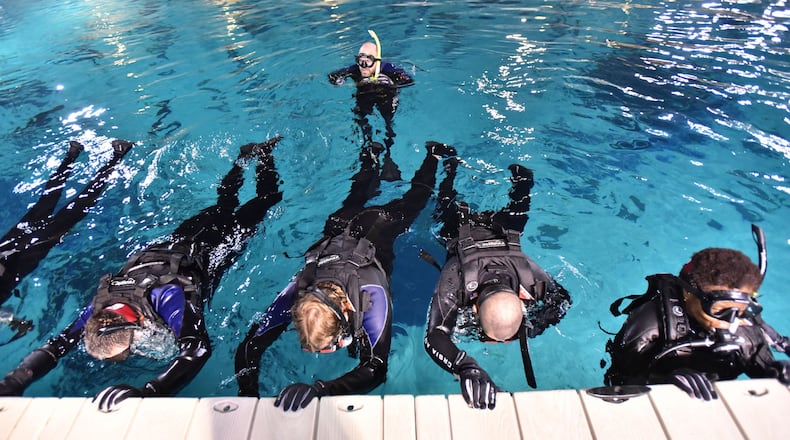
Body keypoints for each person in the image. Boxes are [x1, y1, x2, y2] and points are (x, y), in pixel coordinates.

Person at [0, 136, 284, 411]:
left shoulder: (168, 298)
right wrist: (14, 382)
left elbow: (197, 349)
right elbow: (56, 347)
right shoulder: (98, 307)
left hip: (215, 246)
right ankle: (243, 157)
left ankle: (263, 156)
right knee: (225, 203)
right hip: (176, 242)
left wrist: (152, 391)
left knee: (266, 198)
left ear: (132, 328)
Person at [235, 140, 456, 411]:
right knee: (354, 197)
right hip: (339, 225)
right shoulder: (300, 294)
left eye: (330, 346)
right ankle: (370, 157)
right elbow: (251, 346)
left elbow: (376, 368)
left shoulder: (372, 293)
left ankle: (432, 156)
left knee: (417, 198)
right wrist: (248, 395)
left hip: (381, 223)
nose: (327, 352)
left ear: (346, 312)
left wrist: (321, 389)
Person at [424, 149, 572, 410]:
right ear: (523, 300)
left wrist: (532, 327)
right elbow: (433, 338)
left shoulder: (528, 274)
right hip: (457, 231)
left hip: (501, 229)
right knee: (443, 207)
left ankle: (517, 179)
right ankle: (449, 167)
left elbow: (563, 300)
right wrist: (464, 365)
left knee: (517, 215)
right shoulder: (455, 276)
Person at [604, 226, 790, 400]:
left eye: (741, 310)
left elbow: (761, 369)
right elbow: (619, 383)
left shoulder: (745, 326)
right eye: (720, 310)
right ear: (687, 293)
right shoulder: (651, 323)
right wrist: (662, 381)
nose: (730, 322)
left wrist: (775, 373)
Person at [0, 139, 132, 342]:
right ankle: (114, 156)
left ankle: (75, 155)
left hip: (16, 247)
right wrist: (14, 322)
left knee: (50, 201)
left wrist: (15, 322)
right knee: (73, 205)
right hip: (28, 250)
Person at [328, 32, 414, 180]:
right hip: (365, 95)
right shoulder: (356, 69)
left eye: (367, 62)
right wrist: (338, 81)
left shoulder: (388, 69)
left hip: (385, 96)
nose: (363, 66)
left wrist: (391, 82)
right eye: (360, 61)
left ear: (377, 60)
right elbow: (333, 76)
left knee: (388, 123)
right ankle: (367, 151)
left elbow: (409, 80)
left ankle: (388, 154)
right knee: (360, 119)